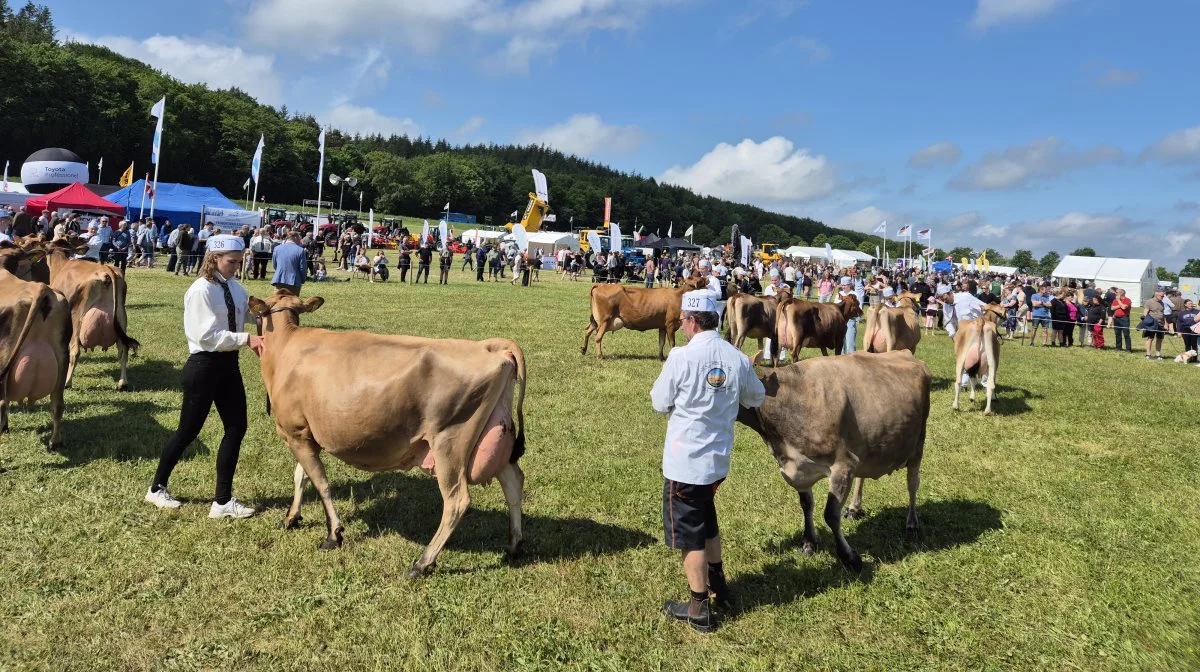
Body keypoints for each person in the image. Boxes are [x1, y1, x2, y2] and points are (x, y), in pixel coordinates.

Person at [650, 290, 766, 633]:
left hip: (685, 462)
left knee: (690, 535)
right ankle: (718, 581)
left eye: (683, 322)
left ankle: (698, 605)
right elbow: (756, 396)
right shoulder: (737, 358)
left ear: (689, 321)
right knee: (706, 518)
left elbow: (659, 402)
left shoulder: (681, 357)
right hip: (716, 463)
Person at [144, 235, 265, 518]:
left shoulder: (234, 287)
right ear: (214, 258)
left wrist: (267, 314)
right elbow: (207, 336)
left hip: (228, 366)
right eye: (231, 262)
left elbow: (244, 312)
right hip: (204, 366)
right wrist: (247, 338)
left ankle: (222, 502)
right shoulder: (200, 290)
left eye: (239, 261)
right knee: (188, 431)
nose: (236, 266)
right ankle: (156, 488)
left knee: (237, 427)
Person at [1141, 289, 1167, 360]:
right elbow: (1145, 313)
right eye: (1162, 296)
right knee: (1150, 338)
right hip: (1152, 324)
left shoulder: (1162, 303)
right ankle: (1148, 354)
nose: (1163, 297)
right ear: (1156, 295)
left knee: (1159, 339)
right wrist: (1146, 322)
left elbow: (1163, 314)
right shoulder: (1149, 302)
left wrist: (1165, 323)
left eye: (1163, 296)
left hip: (1161, 324)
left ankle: (1158, 355)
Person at [1028, 282, 1052, 347]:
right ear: (1040, 290)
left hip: (1045, 316)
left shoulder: (1046, 296)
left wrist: (1042, 303)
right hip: (1036, 315)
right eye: (1044, 289)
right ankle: (1031, 342)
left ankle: (1044, 344)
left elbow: (1050, 305)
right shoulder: (1034, 295)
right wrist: (1043, 303)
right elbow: (1034, 304)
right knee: (1034, 329)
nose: (1046, 290)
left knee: (1045, 330)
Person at [1110, 288, 1133, 353]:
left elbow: (1124, 307)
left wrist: (1118, 301)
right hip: (1116, 318)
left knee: (1126, 334)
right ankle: (1118, 347)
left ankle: (1128, 349)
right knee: (1117, 334)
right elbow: (1112, 308)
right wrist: (1120, 305)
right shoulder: (1115, 300)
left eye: (1117, 292)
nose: (1116, 293)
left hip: (1124, 318)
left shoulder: (1127, 300)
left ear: (1121, 293)